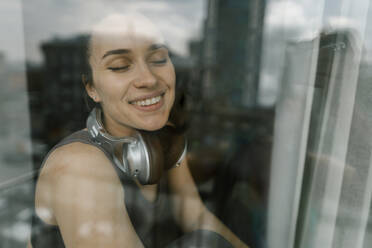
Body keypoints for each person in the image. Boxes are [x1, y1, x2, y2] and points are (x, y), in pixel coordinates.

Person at [29, 13, 249, 248]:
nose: (148, 79)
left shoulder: (163, 139)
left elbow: (196, 216)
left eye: (158, 59)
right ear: (92, 88)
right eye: (120, 66)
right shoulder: (79, 166)